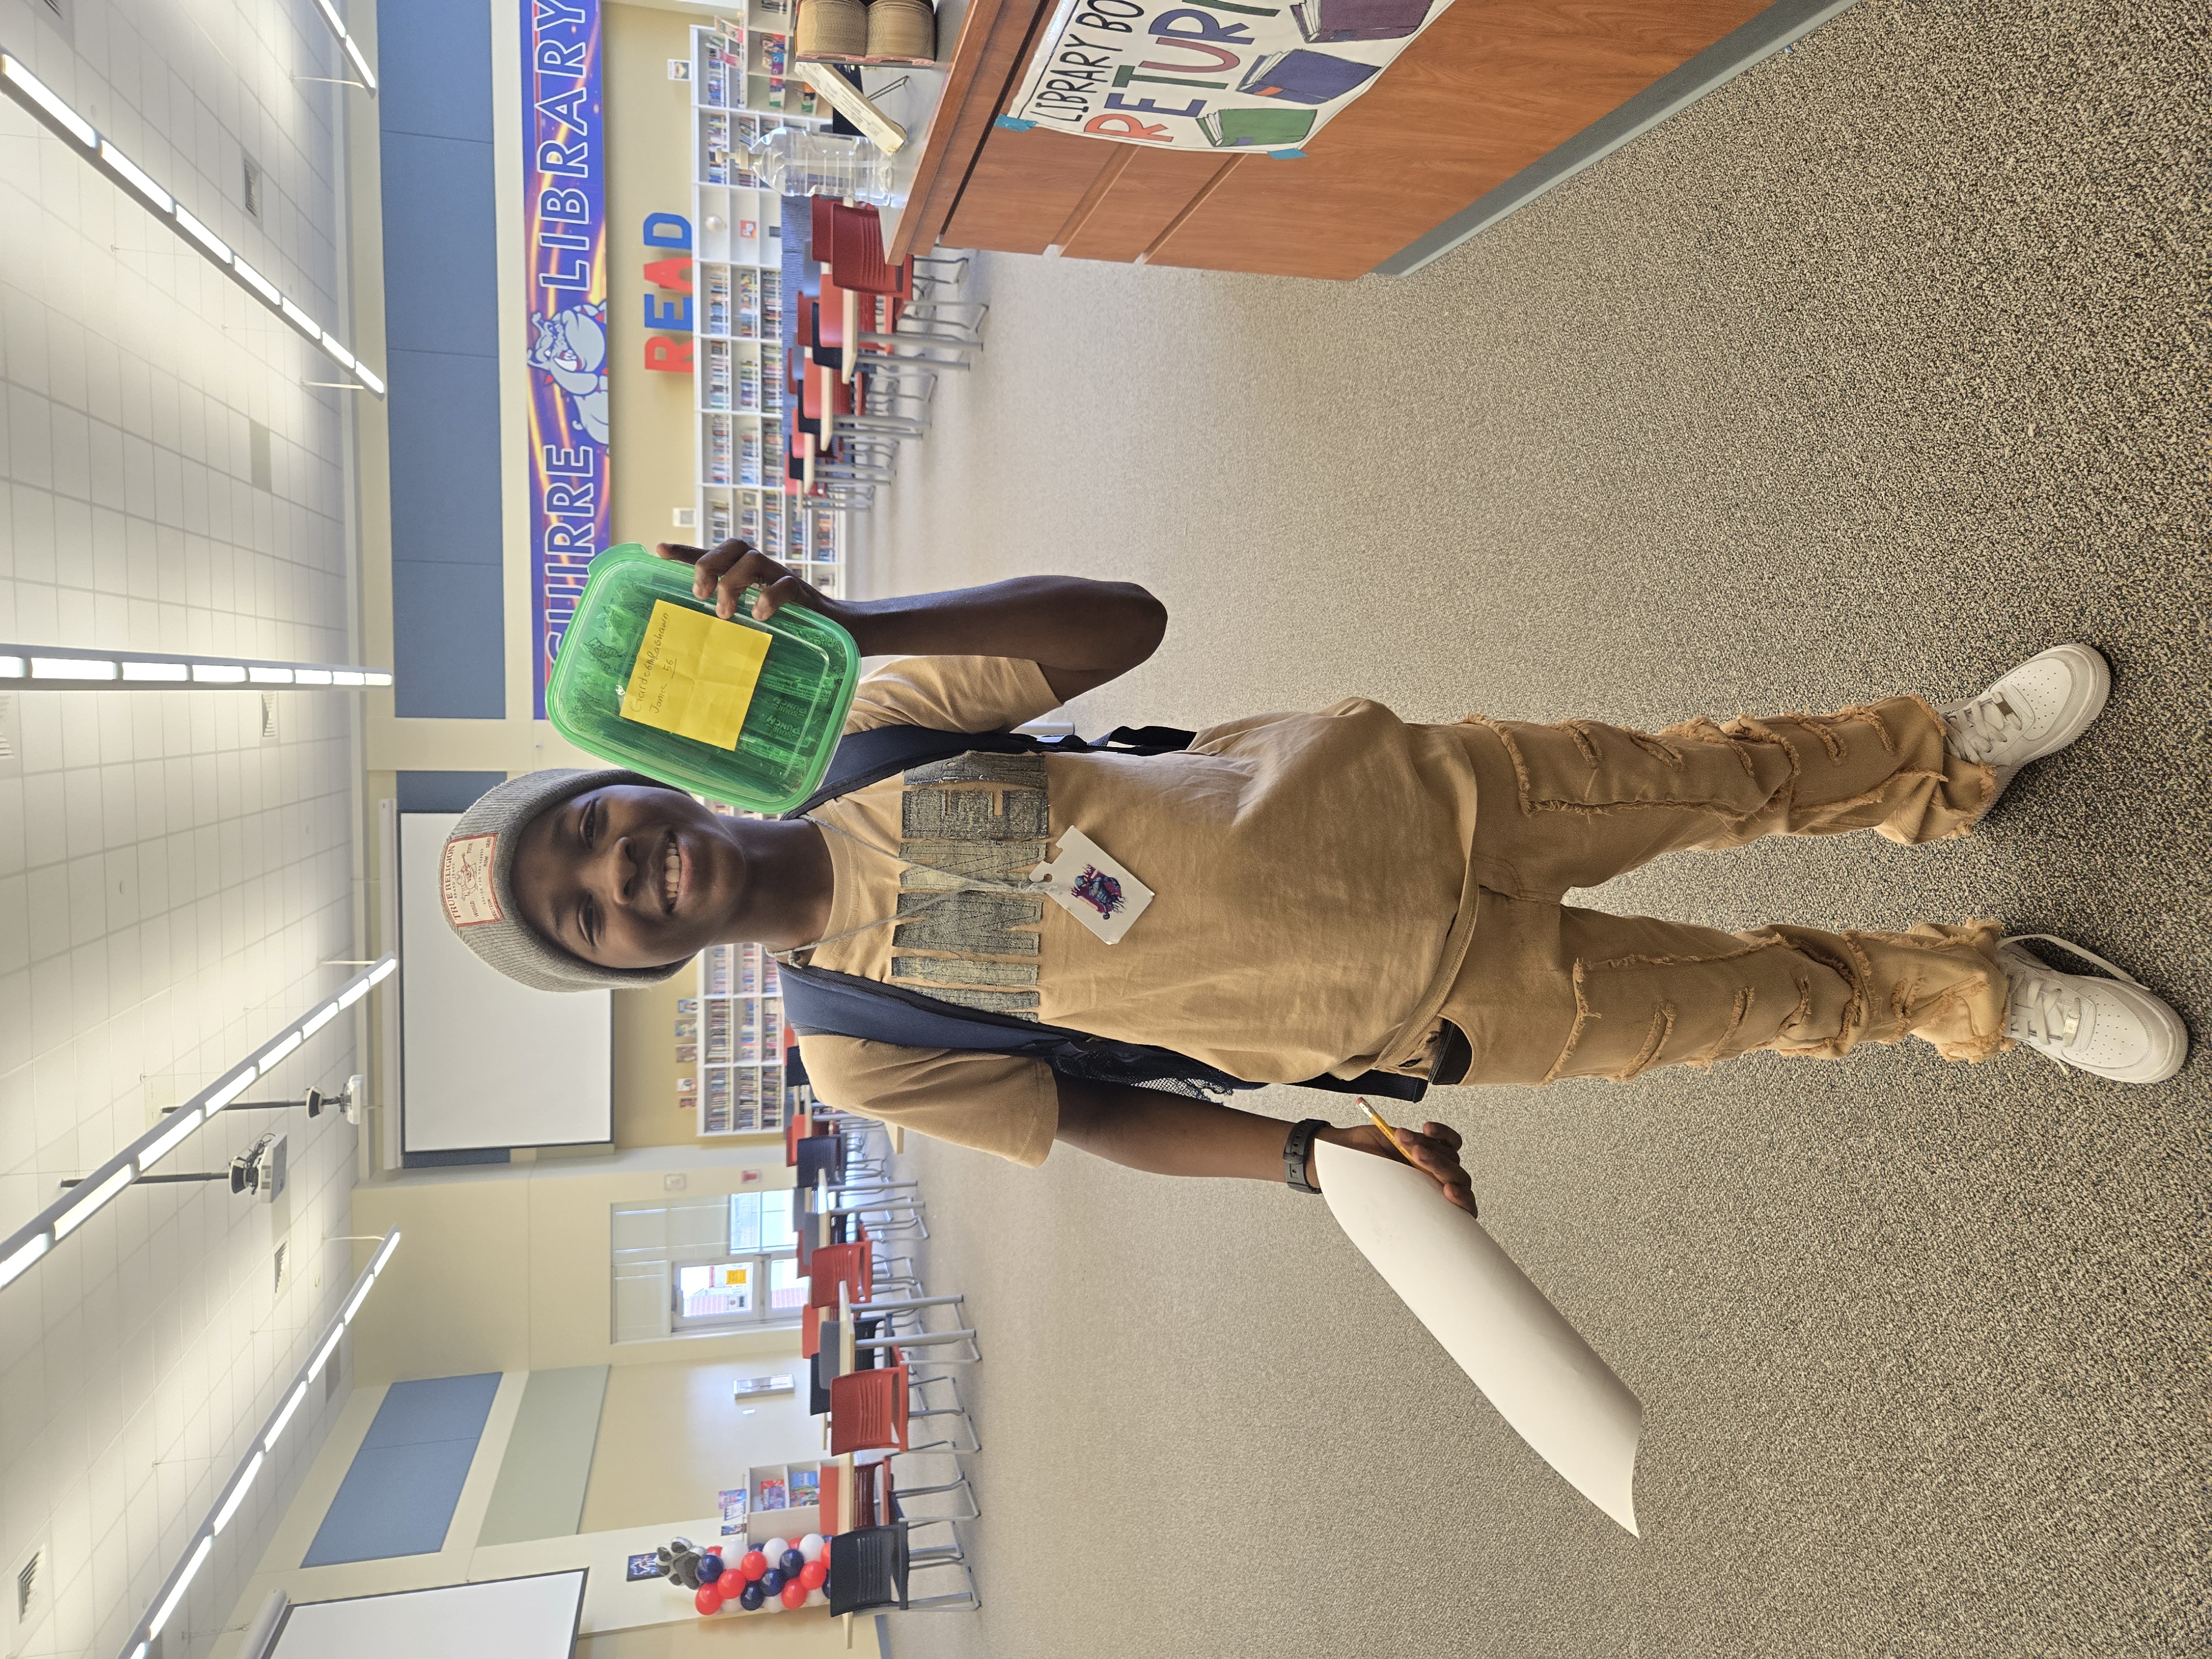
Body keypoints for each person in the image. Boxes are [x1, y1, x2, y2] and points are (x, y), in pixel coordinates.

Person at [440, 542, 2188, 1212]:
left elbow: (1124, 625)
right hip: (1423, 1020)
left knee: (1719, 775)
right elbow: (1094, 1122)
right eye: (587, 913)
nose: (622, 872)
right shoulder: (854, 1041)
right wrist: (1307, 1158)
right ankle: (1977, 983)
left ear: (626, 778)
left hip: (1415, 808)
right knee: (1757, 1007)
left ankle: (1941, 763)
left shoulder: (867, 733)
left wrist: (852, 623)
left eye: (588, 828)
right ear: (631, 965)